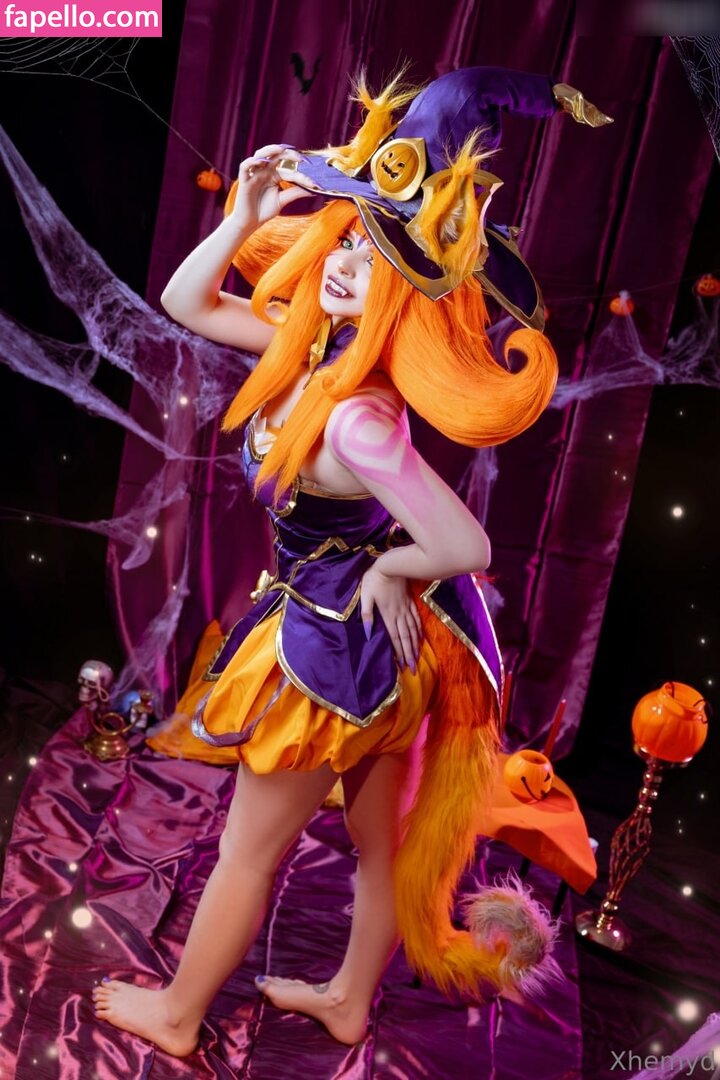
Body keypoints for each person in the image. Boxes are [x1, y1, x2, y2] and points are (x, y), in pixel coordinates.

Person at [92, 66, 611, 1056]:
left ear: (411, 294)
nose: (342, 266)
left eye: (374, 259)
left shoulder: (360, 421)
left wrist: (386, 571)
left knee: (248, 850)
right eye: (344, 239)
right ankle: (347, 1002)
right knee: (382, 846)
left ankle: (179, 1016)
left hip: (334, 657)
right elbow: (184, 298)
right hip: (373, 654)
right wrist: (246, 215)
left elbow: (466, 545)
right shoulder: (307, 352)